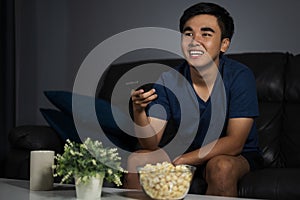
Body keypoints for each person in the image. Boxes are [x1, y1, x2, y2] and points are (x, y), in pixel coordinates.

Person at [124, 2, 264, 197]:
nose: (194, 41)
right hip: (183, 150)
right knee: (136, 160)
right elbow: (150, 142)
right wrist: (139, 111)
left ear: (224, 44)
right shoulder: (168, 80)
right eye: (188, 34)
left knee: (220, 166)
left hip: (234, 156)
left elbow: (235, 142)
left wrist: (182, 160)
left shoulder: (239, 76)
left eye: (206, 34)